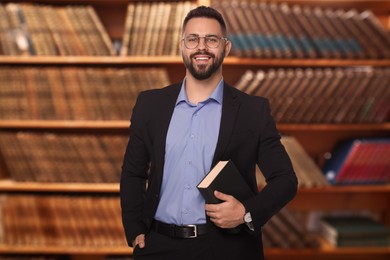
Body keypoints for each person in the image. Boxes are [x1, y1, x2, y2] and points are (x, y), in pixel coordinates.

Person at [120, 5, 297, 260]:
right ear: (182, 47)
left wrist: (246, 212)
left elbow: (285, 180)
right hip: (157, 246)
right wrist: (134, 226)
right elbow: (133, 172)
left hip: (226, 249)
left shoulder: (252, 111)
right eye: (193, 39)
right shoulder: (151, 105)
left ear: (226, 48)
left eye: (211, 39)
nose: (201, 47)